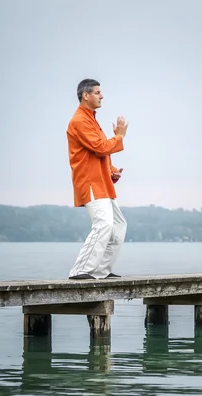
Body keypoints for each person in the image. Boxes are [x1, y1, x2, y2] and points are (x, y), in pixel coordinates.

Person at [67, 78, 129, 280]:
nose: (101, 96)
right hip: (90, 182)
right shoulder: (79, 121)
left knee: (118, 226)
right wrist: (119, 137)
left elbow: (100, 151)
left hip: (102, 182)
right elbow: (101, 147)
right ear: (86, 95)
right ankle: (80, 270)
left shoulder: (91, 119)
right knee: (103, 224)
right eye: (97, 92)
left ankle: (101, 270)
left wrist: (111, 170)